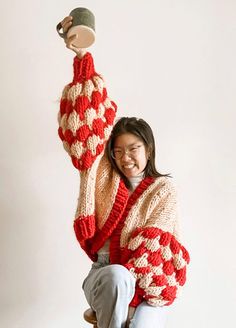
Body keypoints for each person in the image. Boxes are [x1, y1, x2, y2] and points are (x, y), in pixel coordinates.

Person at [58, 16, 190, 328]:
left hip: (149, 283)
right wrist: (81, 58)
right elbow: (89, 123)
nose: (125, 157)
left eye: (133, 149)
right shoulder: (104, 176)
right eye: (117, 150)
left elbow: (153, 246)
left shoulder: (163, 191)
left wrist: (129, 308)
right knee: (117, 275)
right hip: (105, 275)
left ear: (149, 149)